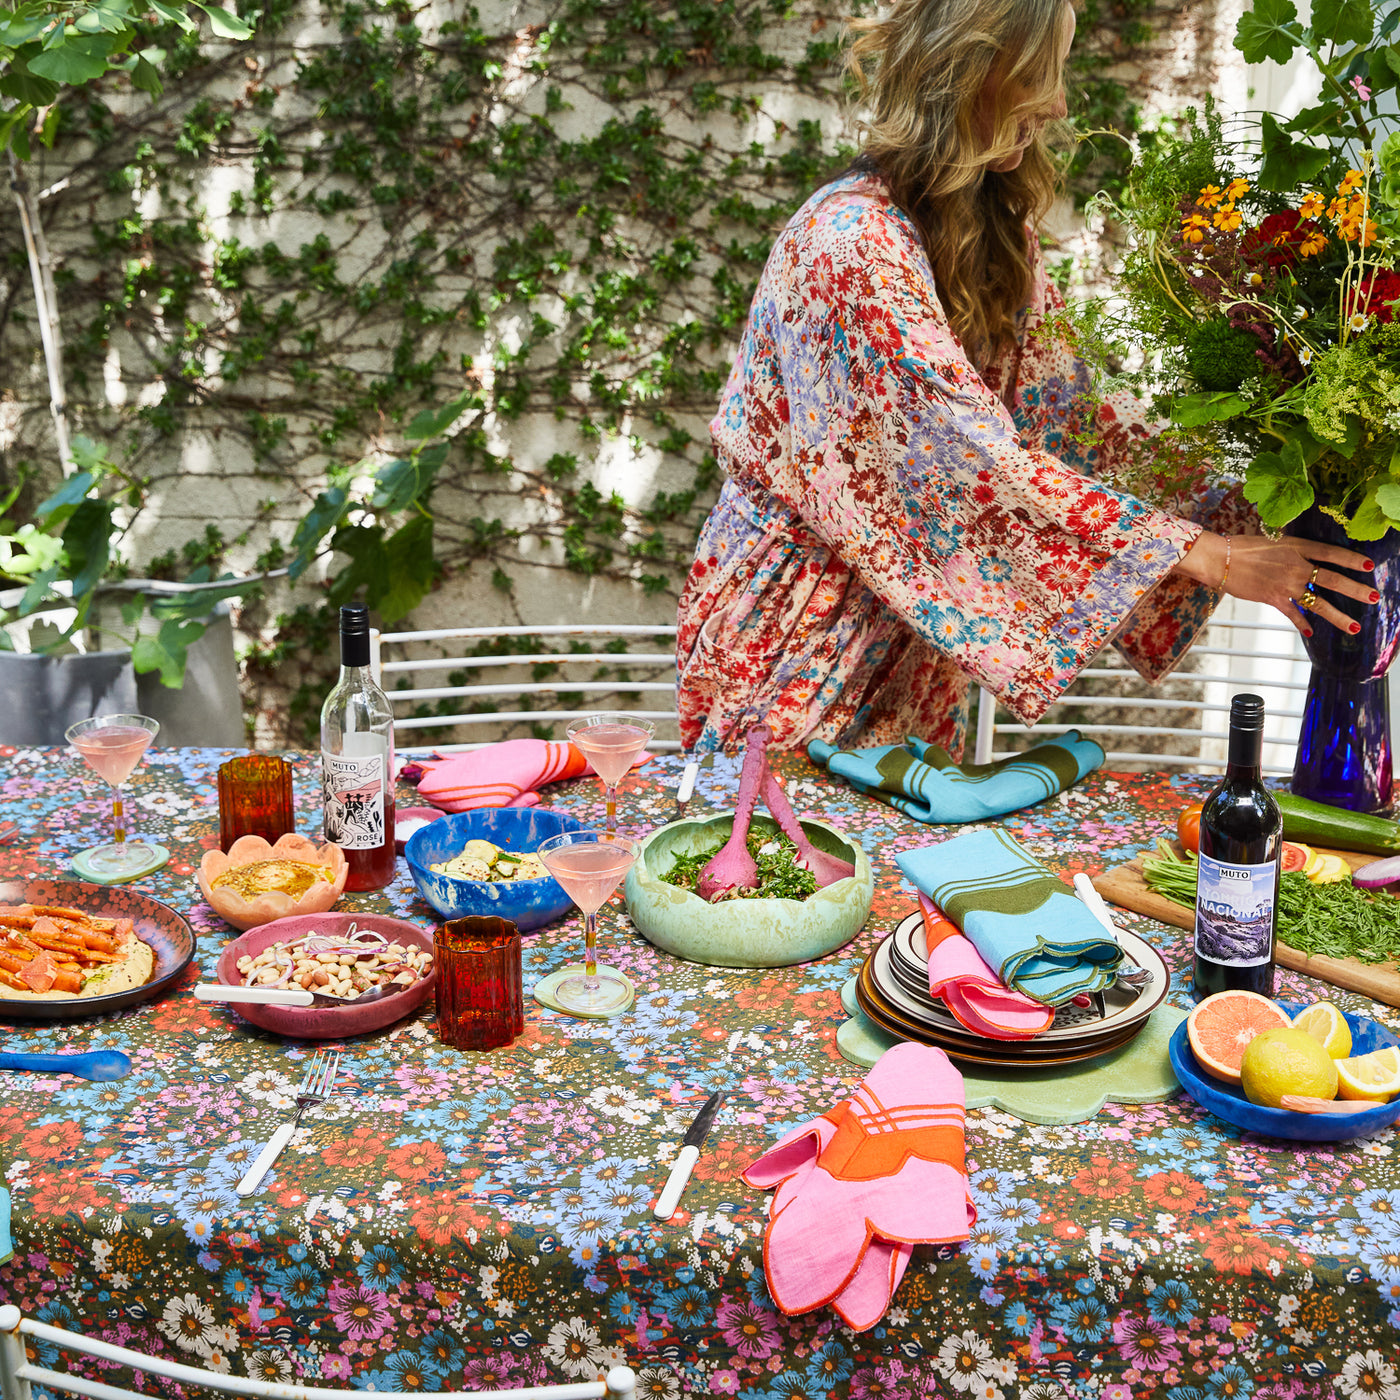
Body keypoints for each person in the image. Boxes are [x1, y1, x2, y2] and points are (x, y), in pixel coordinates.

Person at [674, 0, 1376, 754]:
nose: (1061, 102)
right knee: (790, 865)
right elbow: (971, 464)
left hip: (910, 654)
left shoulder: (990, 232)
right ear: (971, 74)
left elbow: (1079, 419)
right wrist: (1215, 557)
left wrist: (1302, 486)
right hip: (799, 644)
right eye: (1042, 74)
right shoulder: (849, 245)